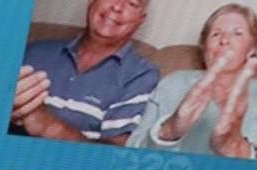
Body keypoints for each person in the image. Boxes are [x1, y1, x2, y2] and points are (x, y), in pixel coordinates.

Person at [130, 6, 257, 160]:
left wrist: (237, 148)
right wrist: (169, 130)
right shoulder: (173, 82)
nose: (224, 40)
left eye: (237, 33)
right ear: (204, 46)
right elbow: (131, 153)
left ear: (251, 49)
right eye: (216, 34)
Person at [12, 0, 161, 142]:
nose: (117, 7)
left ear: (140, 20)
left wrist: (51, 127)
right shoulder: (34, 51)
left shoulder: (141, 75)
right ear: (92, 1)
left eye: (132, 4)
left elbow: (114, 156)